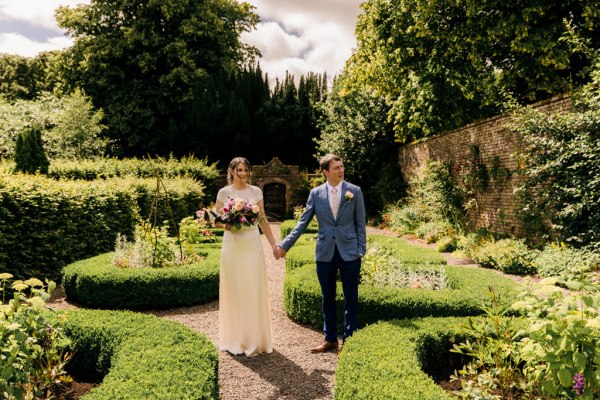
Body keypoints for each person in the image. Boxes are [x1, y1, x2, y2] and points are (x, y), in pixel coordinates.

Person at [275, 154, 366, 353]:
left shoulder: (354, 191)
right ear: (326, 172)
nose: (341, 170)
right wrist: (284, 245)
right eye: (336, 168)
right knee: (328, 297)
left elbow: (361, 223)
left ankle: (349, 342)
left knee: (351, 297)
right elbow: (302, 222)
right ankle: (330, 339)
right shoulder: (315, 194)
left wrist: (361, 249)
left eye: (342, 166)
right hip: (325, 252)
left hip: (350, 252)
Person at [214, 157, 278, 356]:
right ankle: (235, 338)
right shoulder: (223, 193)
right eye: (239, 170)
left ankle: (255, 339)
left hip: (251, 244)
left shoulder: (255, 192)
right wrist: (231, 223)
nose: (243, 174)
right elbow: (217, 221)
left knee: (252, 288)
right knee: (234, 290)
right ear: (231, 171)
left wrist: (274, 245)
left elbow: (263, 220)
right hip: (232, 245)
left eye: (245, 170)